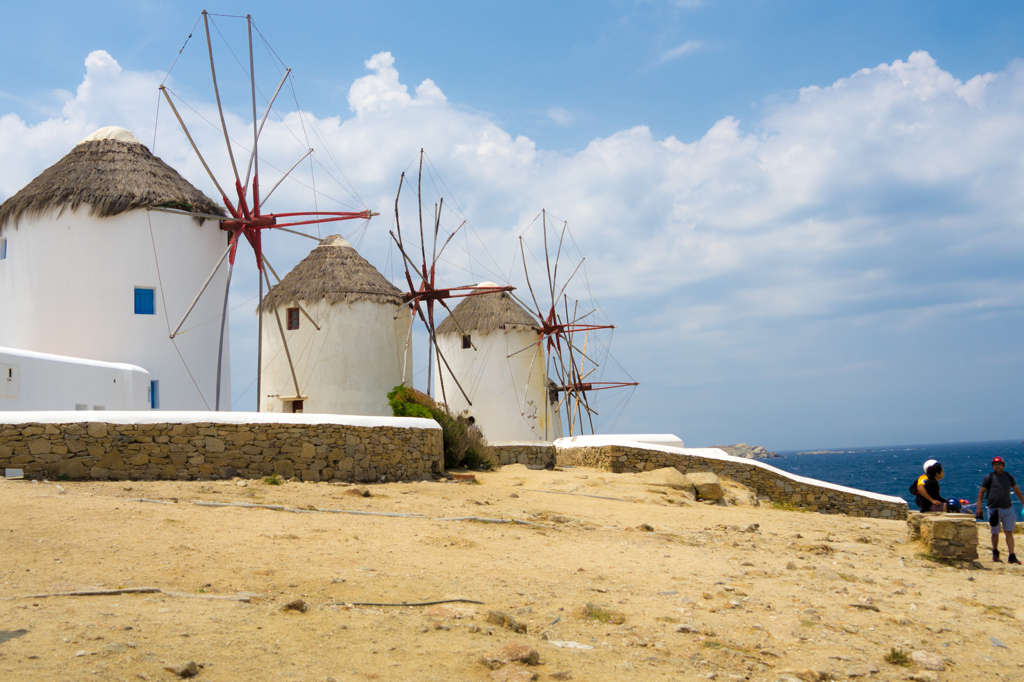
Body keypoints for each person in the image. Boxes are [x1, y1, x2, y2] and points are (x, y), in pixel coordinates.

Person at [977, 457, 1024, 564]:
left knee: (1009, 532)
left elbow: (1016, 490)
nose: (997, 466)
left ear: (1003, 465)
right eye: (995, 464)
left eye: (999, 464)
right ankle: (995, 551)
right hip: (994, 509)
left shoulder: (1008, 476)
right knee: (995, 532)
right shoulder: (989, 477)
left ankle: (1012, 555)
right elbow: (981, 492)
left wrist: (1023, 502)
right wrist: (979, 507)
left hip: (1008, 508)